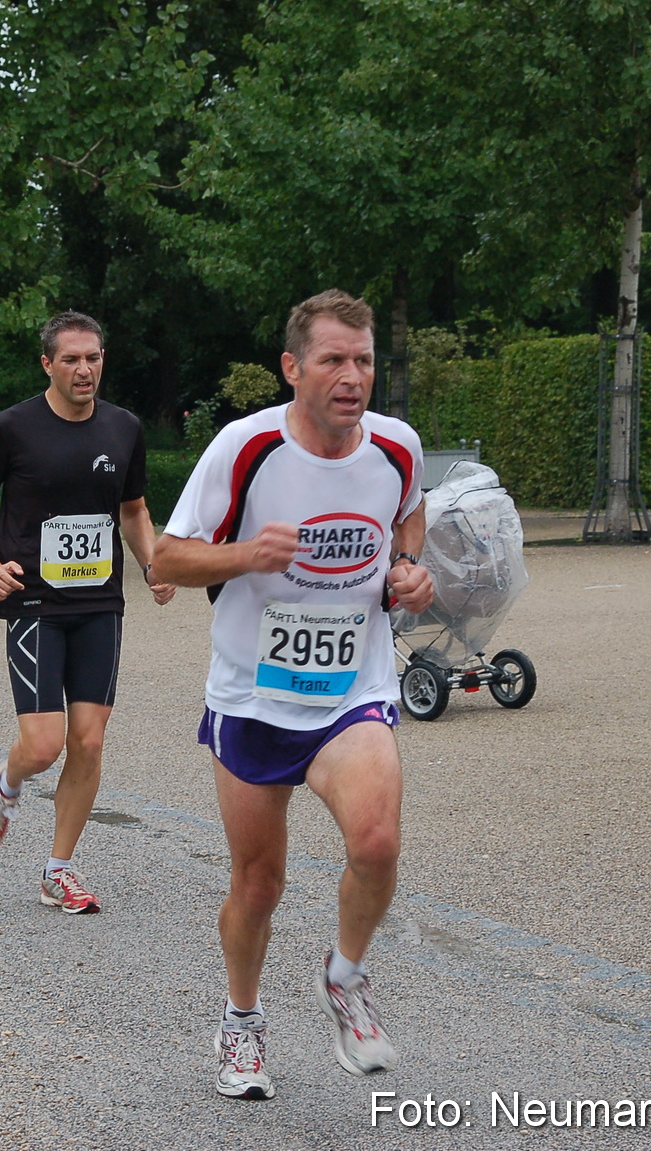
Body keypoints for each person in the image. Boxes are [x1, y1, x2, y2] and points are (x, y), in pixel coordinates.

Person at [150, 290, 435, 1101]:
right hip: (254, 697)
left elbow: (408, 517)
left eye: (364, 360)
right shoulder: (245, 449)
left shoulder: (398, 447)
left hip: (354, 689)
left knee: (377, 842)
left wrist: (410, 572)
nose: (353, 377)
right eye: (333, 359)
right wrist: (244, 555)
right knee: (259, 883)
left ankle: (345, 975)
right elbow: (166, 560)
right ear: (292, 367)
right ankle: (241, 1021)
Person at [0, 311, 176, 914]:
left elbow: (133, 509)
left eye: (95, 357)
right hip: (33, 601)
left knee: (89, 741)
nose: (86, 369)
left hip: (100, 602)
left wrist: (154, 563)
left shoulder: (124, 428)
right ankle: (7, 782)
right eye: (73, 359)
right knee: (44, 745)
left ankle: (58, 869)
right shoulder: (12, 429)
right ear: (47, 363)